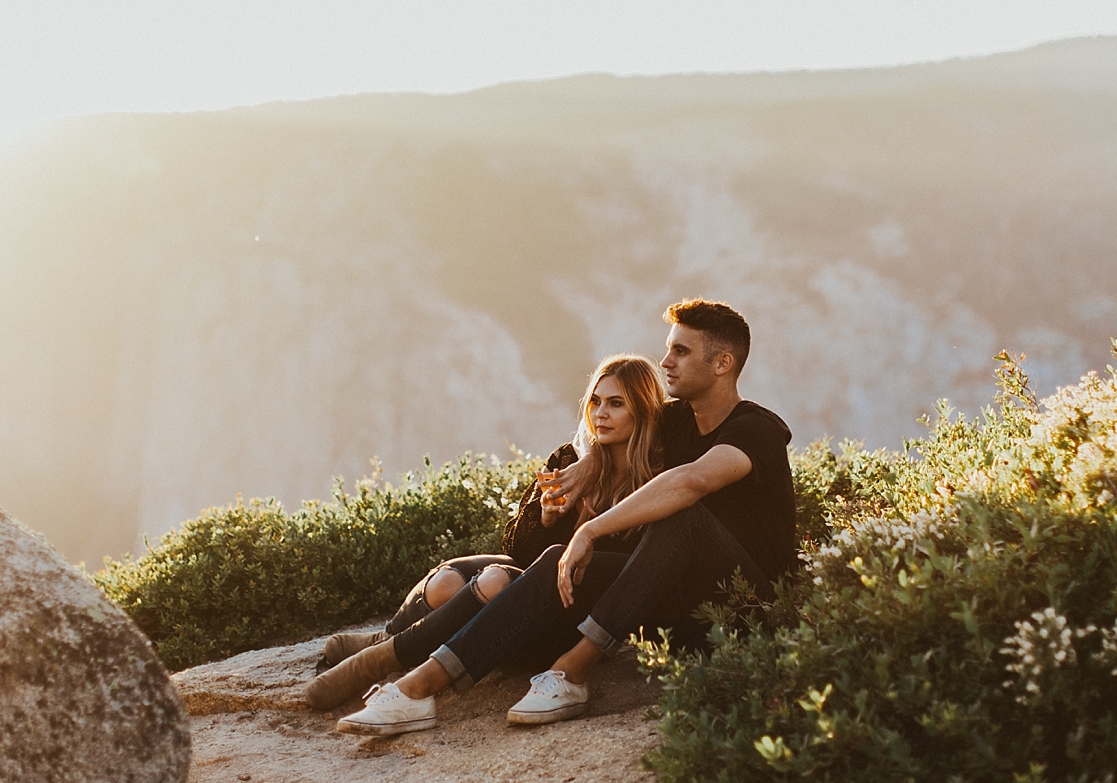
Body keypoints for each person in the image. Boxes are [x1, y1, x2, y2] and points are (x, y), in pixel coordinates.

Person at [334, 298, 794, 736]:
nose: (666, 361)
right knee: (555, 557)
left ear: (722, 363)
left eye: (680, 350)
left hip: (744, 607)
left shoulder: (755, 429)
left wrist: (593, 529)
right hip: (673, 597)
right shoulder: (675, 423)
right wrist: (591, 463)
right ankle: (418, 689)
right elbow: (617, 425)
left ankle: (572, 672)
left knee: (682, 516)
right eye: (668, 347)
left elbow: (691, 481)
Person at [304, 354, 666, 713]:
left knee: (493, 581)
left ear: (643, 410)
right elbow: (519, 552)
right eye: (596, 401)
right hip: (537, 583)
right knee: (448, 582)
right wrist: (547, 518)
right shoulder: (570, 460)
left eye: (616, 404)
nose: (601, 413)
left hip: (564, 619)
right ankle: (388, 638)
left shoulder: (657, 480)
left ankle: (378, 661)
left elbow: (629, 576)